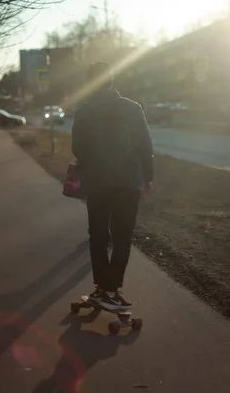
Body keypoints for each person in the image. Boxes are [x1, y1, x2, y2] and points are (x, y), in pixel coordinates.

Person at [72, 61, 154, 311]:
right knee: (122, 238)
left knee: (98, 237)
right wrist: (148, 177)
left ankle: (102, 289)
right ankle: (111, 289)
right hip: (129, 183)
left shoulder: (84, 112)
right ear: (110, 81)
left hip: (98, 184)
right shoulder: (133, 108)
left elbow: (78, 149)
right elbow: (145, 146)